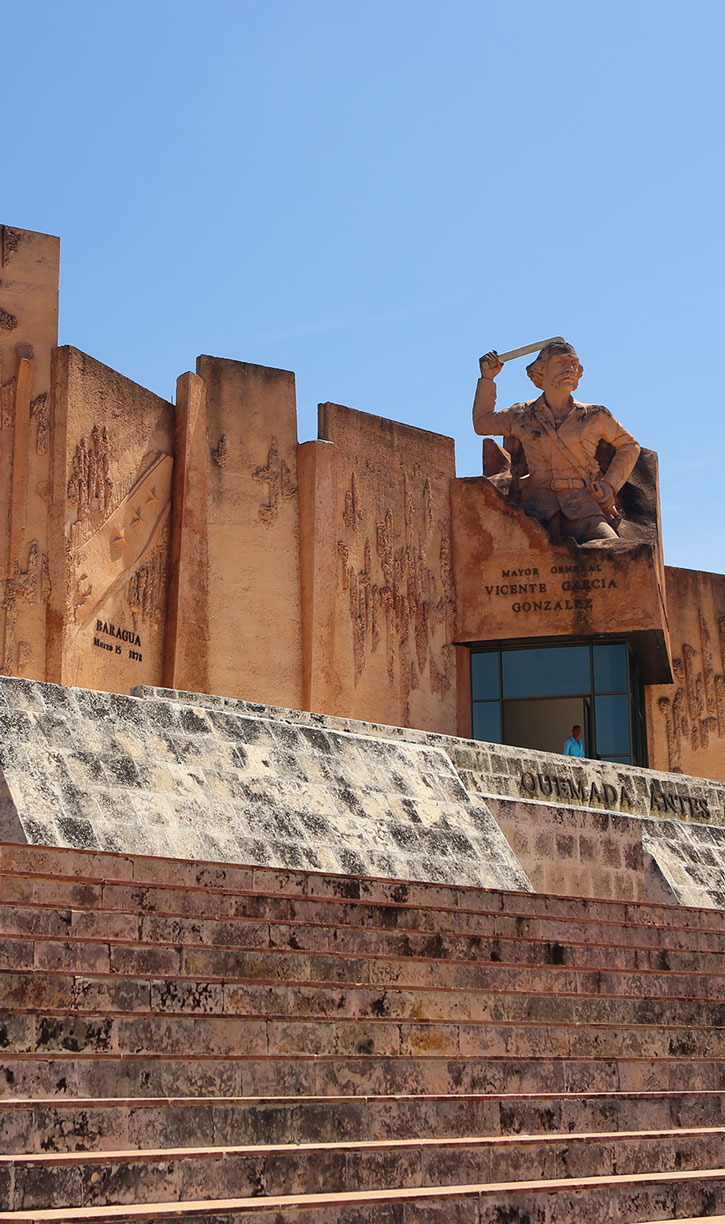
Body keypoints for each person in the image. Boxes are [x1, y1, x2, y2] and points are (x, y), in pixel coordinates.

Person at [473, 341, 640, 543]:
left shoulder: (595, 415)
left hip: (583, 506)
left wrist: (610, 485)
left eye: (574, 364)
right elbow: (482, 423)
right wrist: (487, 378)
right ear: (541, 371)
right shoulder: (521, 415)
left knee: (617, 552)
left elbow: (630, 446)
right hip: (537, 509)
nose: (569, 368)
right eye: (560, 362)